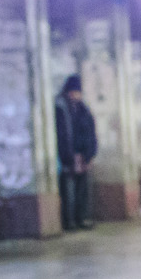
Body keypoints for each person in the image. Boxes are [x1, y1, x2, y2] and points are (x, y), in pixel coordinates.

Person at [53, 74, 96, 231]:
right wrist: (67, 157)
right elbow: (61, 134)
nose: (76, 95)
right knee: (68, 191)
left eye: (78, 92)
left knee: (82, 190)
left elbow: (91, 132)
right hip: (67, 157)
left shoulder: (83, 109)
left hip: (83, 156)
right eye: (74, 91)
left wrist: (89, 154)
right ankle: (69, 221)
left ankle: (82, 218)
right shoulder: (60, 108)